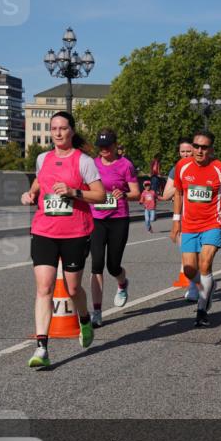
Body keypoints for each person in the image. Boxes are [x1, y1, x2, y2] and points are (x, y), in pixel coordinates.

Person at [20, 111, 106, 368]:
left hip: (75, 233)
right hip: (44, 230)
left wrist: (73, 192)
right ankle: (41, 348)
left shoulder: (84, 161)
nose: (57, 133)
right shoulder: (42, 158)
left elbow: (100, 195)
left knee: (72, 289)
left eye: (62, 128)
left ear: (71, 131)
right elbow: (39, 181)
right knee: (44, 288)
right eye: (54, 128)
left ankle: (84, 319)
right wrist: (30, 193)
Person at [169, 131, 221, 327]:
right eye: (196, 146)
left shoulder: (219, 168)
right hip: (189, 225)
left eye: (204, 147)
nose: (199, 150)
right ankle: (209, 285)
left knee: (205, 264)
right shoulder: (182, 166)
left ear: (211, 149)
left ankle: (201, 309)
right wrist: (176, 221)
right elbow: (179, 193)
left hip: (212, 223)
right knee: (190, 270)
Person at [88, 130, 140, 327]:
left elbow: (136, 193)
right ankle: (97, 311)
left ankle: (122, 283)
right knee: (97, 264)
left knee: (113, 266)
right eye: (101, 147)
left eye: (107, 146)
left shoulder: (125, 165)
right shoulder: (91, 164)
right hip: (96, 219)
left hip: (118, 219)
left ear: (115, 145)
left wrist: (124, 194)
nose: (104, 150)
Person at [161, 139, 199, 301]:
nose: (185, 154)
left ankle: (199, 284)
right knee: (187, 251)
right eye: (182, 151)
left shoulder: (203, 166)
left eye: (188, 151)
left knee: (199, 253)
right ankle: (194, 286)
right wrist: (182, 183)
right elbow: (165, 195)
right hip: (183, 216)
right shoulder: (176, 169)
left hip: (202, 215)